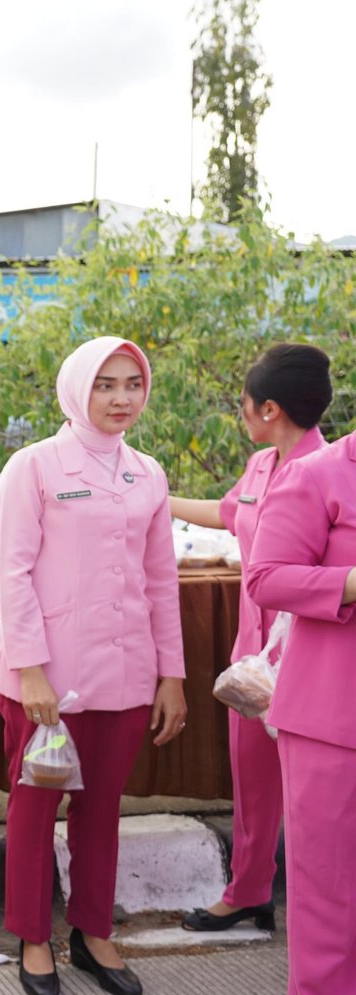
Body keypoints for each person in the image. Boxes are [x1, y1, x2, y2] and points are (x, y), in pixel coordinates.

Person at [0, 335, 187, 995]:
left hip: (128, 674)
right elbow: (10, 571)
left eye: (133, 383)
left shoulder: (148, 473)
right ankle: (33, 936)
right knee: (34, 806)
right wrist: (31, 670)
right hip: (47, 679)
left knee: (101, 809)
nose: (122, 397)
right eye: (107, 384)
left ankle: (93, 931)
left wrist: (172, 675)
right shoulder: (35, 466)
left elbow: (162, 579)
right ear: (78, 388)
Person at [167, 344, 333, 933]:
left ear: (267, 408)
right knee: (253, 783)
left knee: (316, 795)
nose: (240, 413)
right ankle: (249, 891)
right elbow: (227, 510)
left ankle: (323, 913)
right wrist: (156, 499)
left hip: (310, 662)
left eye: (242, 404)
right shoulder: (262, 467)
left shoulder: (331, 472)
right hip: (252, 663)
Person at [244, 419, 356, 995]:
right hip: (331, 725)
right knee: (330, 915)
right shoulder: (318, 474)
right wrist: (347, 582)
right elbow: (266, 577)